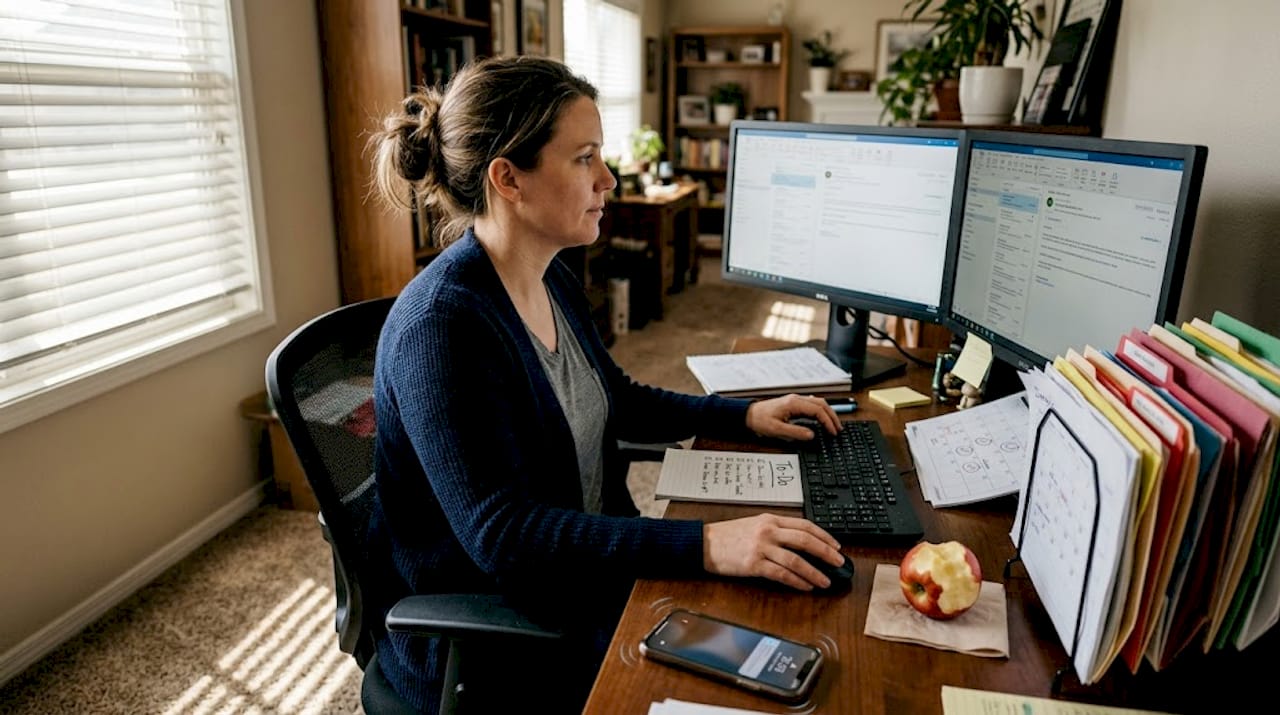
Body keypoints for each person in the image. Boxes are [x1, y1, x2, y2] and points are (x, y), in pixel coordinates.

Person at [366, 55, 846, 713]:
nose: (608, 178)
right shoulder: (443, 327)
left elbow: (615, 397)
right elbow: (504, 536)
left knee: (796, 628)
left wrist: (740, 417)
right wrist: (708, 543)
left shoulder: (550, 274)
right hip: (497, 635)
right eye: (584, 158)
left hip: (588, 573)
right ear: (508, 178)